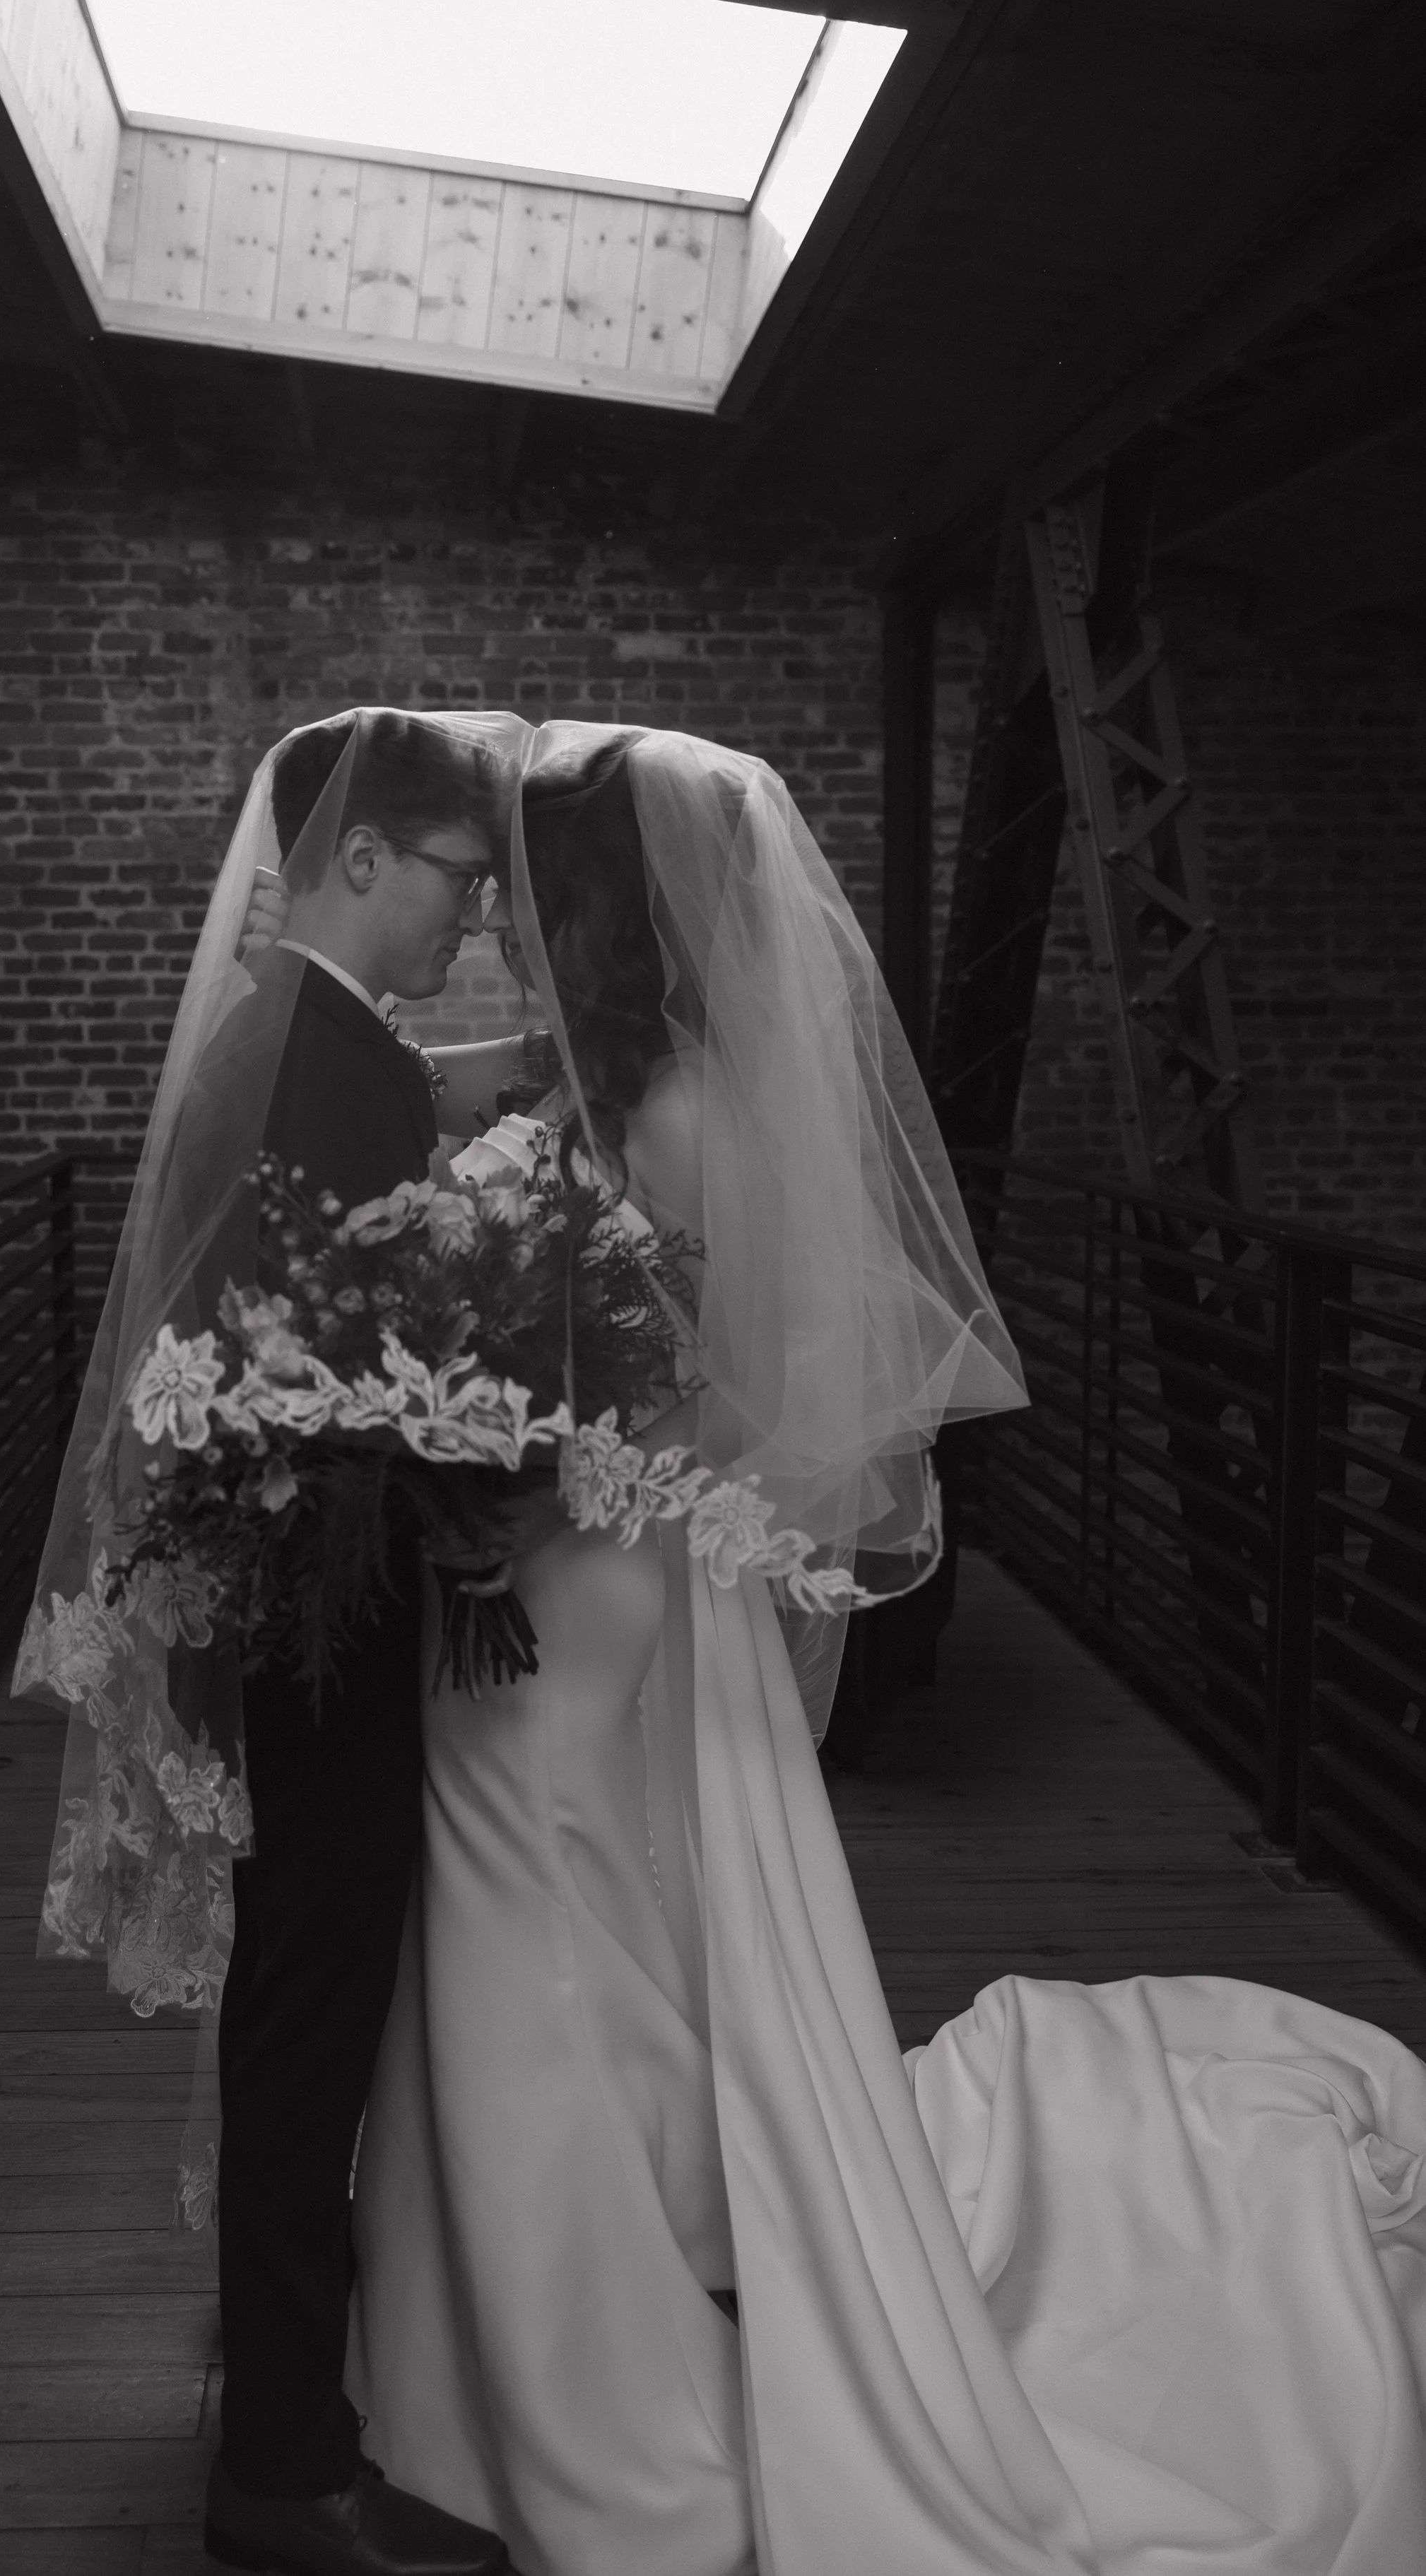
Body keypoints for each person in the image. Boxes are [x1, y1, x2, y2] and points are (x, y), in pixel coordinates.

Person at [343, 727, 1426, 2576]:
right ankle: (556, 2296)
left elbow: (667, 1364)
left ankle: (569, 2384)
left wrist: (461, 1398)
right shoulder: (636, 1084)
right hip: (593, 1560)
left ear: (585, 908)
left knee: (521, 1912)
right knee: (576, 1919)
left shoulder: (649, 1111)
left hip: (567, 1560)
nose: (503, 923)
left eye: (524, 892)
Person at [13, 708, 526, 2576]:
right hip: (320, 1600)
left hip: (268, 1578)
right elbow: (332, 1364)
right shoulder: (333, 1052)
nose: (465, 931)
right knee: (313, 2009)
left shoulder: (290, 1024)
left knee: (300, 2000)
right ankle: (288, 2470)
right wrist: (494, 1444)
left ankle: (291, 2386)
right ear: (361, 858)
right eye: (454, 886)